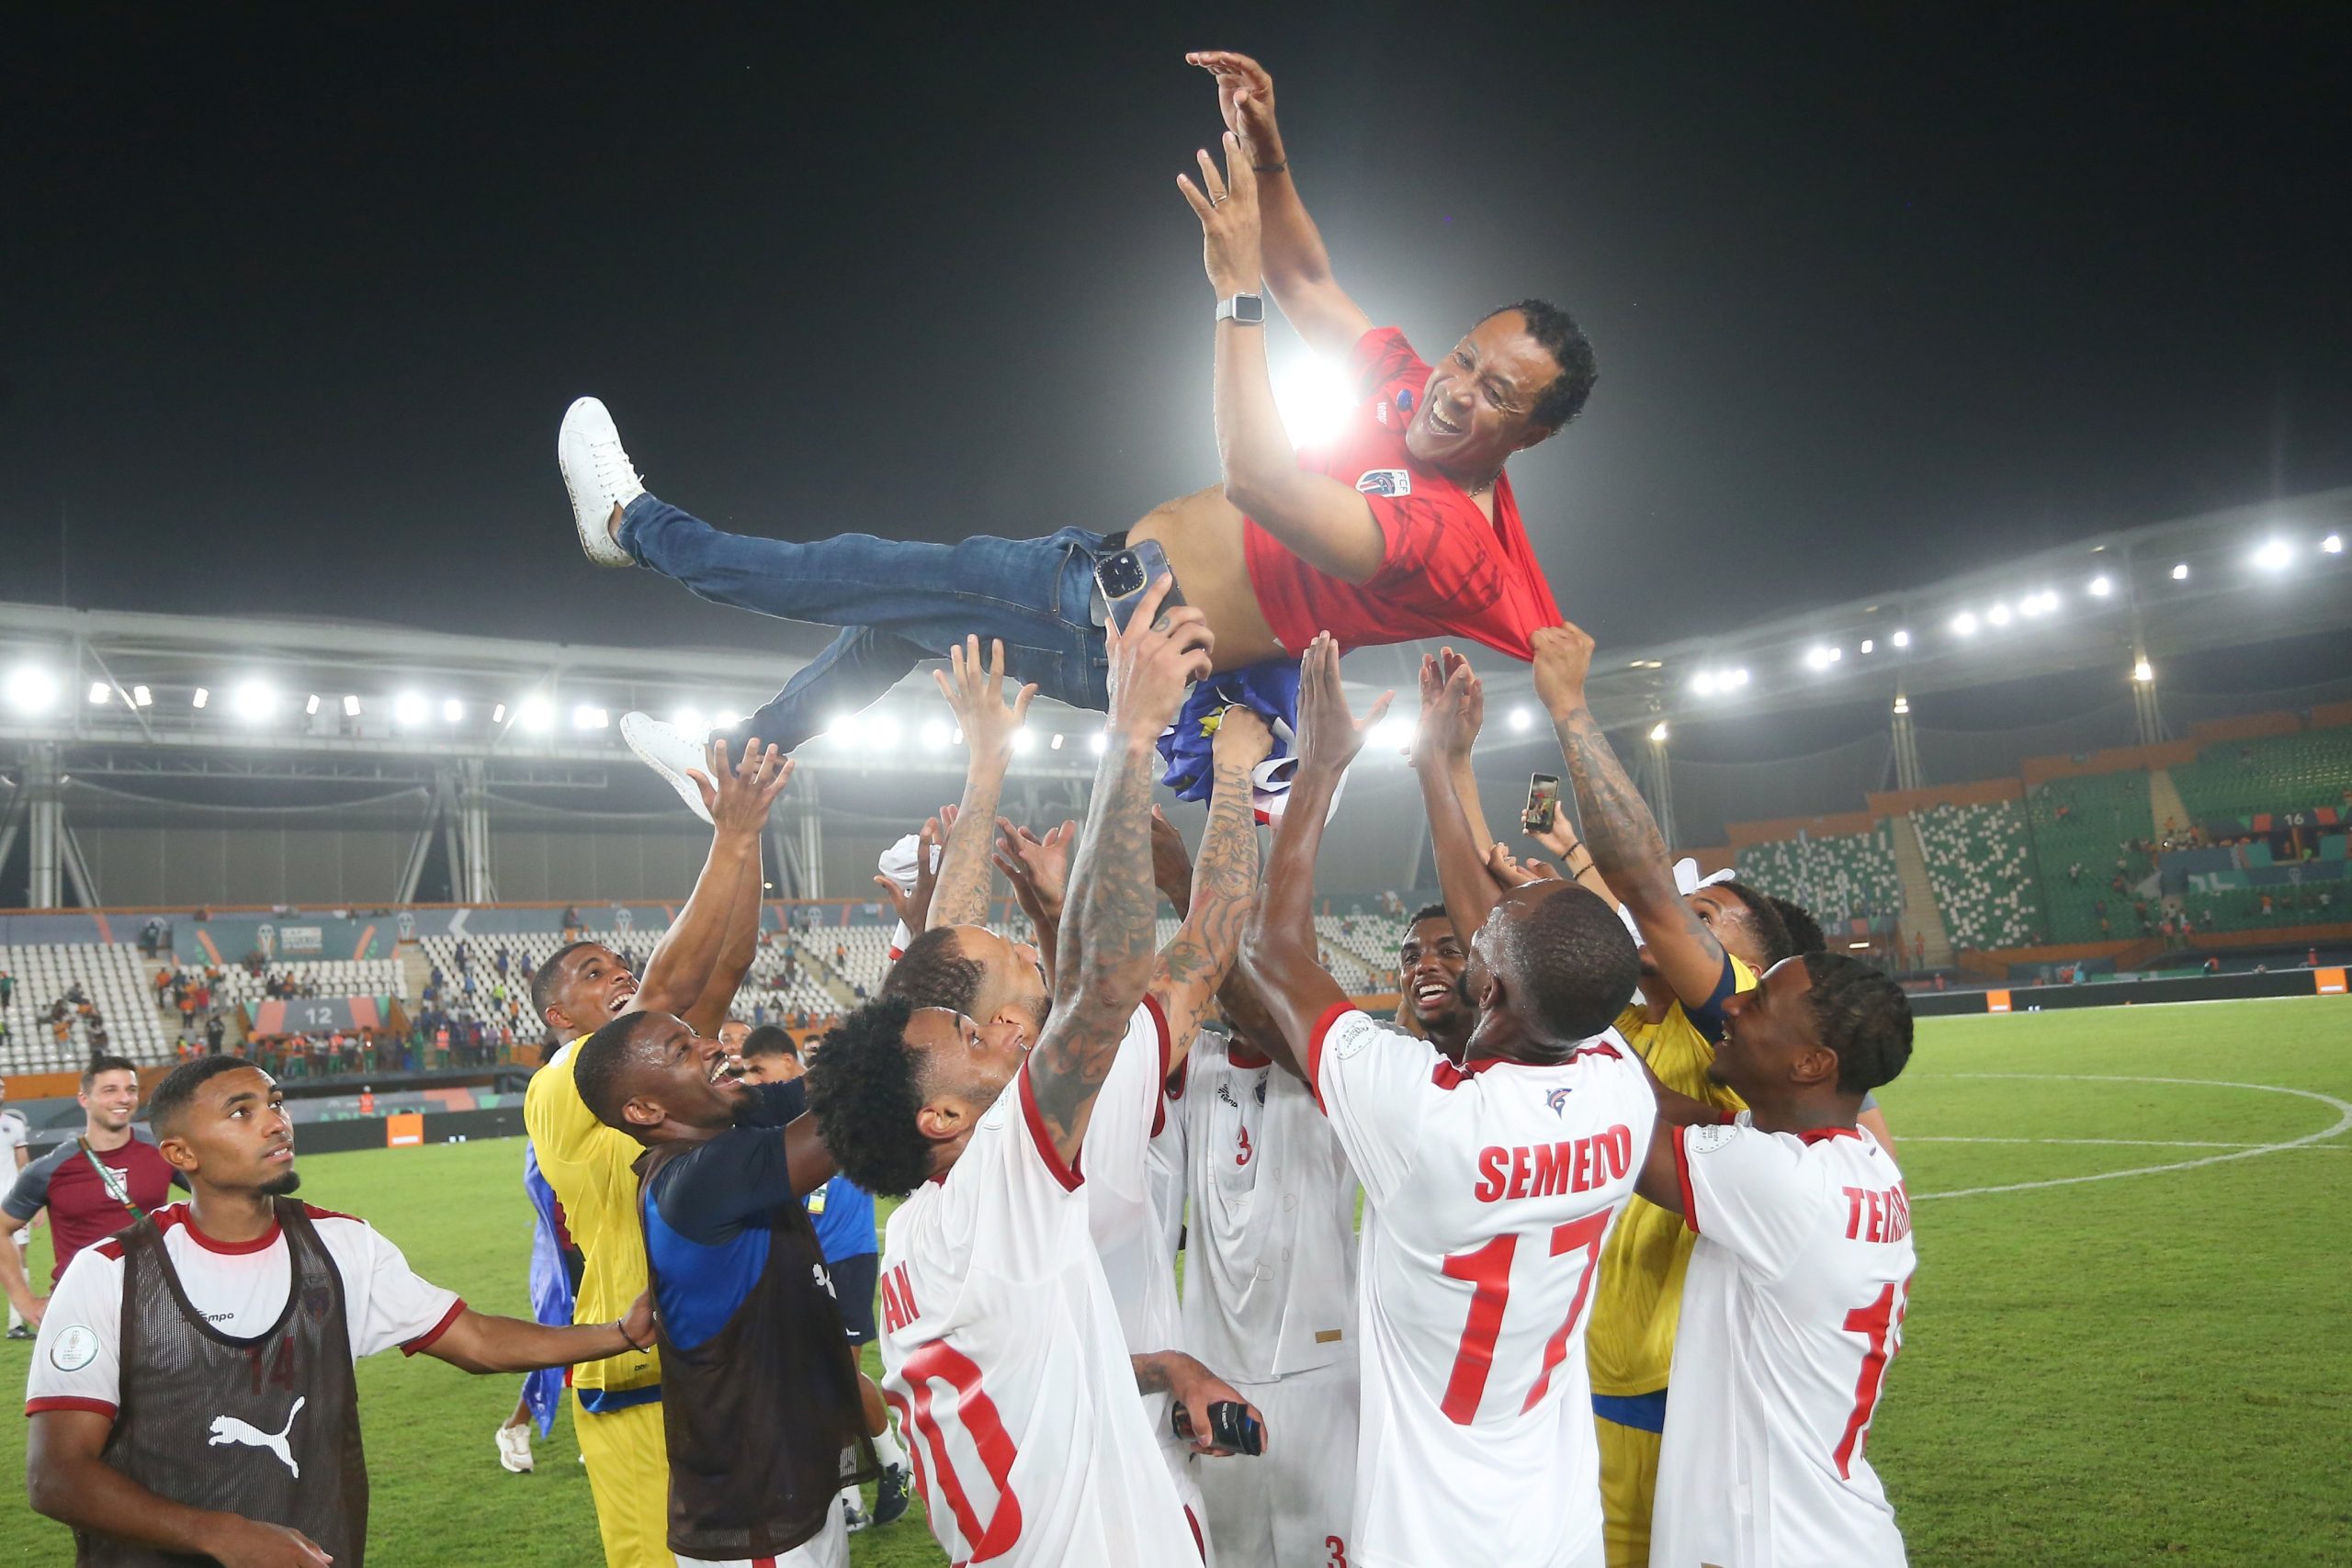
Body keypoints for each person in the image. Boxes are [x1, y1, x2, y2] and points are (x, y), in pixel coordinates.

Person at [560, 51, 1593, 822]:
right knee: (893, 627)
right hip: (1106, 584)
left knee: (859, 570)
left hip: (1122, 627)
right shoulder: (1413, 395)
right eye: (1465, 357)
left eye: (1495, 394)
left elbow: (1262, 482)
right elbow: (1310, 279)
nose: (1454, 391)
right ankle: (735, 763)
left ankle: (632, 525)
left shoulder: (1455, 551)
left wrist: (1232, 293)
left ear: (1534, 434)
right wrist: (1271, 156)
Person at [806, 580, 1261, 1565]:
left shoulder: (916, 1238)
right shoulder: (1010, 1168)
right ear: (941, 1114)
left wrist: (987, 765)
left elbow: (944, 965)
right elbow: (1146, 967)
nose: (999, 1036)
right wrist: (1145, 738)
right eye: (977, 1036)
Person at [1235, 634, 1653, 1568]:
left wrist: (1320, 768)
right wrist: (1438, 764)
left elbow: (1272, 952)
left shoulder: (1423, 1113)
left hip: (1430, 1537)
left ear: (1487, 986)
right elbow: (1521, 956)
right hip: (1556, 1527)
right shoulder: (1619, 1090)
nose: (1480, 918)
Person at [24, 1056, 654, 1566]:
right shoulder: (111, 1272)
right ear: (180, 1154)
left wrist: (623, 1332)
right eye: (242, 1112)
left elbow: (478, 1340)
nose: (276, 1123)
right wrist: (221, 1535)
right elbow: (57, 1476)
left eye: (275, 1103)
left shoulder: (342, 1246)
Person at [523, 738, 797, 1568]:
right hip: (637, 1378)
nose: (617, 974)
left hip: (724, 1362)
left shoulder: (656, 1066)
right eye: (591, 972)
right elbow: (667, 993)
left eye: (620, 964)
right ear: (559, 1017)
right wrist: (729, 838)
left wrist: (749, 835)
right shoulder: (561, 1086)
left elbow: (729, 962)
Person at [1634, 954, 1917, 1567]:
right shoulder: (1856, 1162)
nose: (1732, 1004)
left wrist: (1565, 990)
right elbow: (1661, 1105)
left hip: (1766, 1543)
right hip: (1830, 1532)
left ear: (1812, 1063)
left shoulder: (1788, 1184)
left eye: (1757, 1001)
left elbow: (1616, 1128)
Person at [573, 1010, 873, 1567]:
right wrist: (920, 1030)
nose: (712, 1046)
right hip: (758, 1516)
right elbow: (853, 1107)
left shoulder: (716, 1138)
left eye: (696, 1036)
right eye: (681, 1049)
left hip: (788, 1480)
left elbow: (825, 1082)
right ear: (645, 1110)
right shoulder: (699, 1179)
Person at [1174, 1010, 1362, 1565]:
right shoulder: (1194, 1064)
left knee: (1326, 1546)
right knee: (1233, 1553)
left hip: (1319, 1367)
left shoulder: (1333, 1063)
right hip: (1212, 1367)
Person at [1, 1058, 179, 1331]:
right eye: (110, 1090)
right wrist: (23, 1301)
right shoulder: (50, 1168)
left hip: (154, 1303)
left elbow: (219, 1195)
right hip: (79, 1310)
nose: (124, 1098)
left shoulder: (164, 1152)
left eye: (131, 1090)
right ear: (84, 1099)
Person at [1395, 903, 1474, 1062]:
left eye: (1449, 951)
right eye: (1412, 958)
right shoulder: (1394, 1064)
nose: (1423, 966)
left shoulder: (1523, 1064)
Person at [0, 1079, 34, 1339]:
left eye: (1, 1087)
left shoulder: (14, 1125)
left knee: (19, 1256)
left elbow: (24, 1165)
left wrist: (35, 1204)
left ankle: (16, 1324)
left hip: (12, 1203)